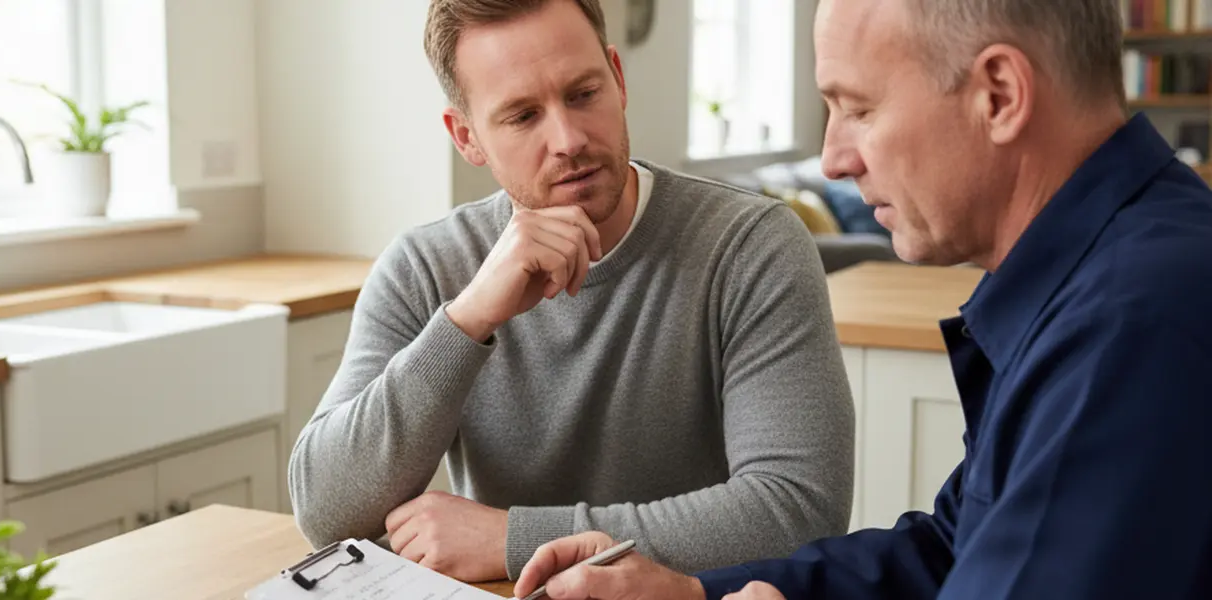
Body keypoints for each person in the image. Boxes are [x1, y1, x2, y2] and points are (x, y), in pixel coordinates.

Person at [513, 0, 1212, 598]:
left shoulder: (1133, 324)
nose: (834, 157)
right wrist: (696, 590)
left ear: (998, 94)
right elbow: (951, 548)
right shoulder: (1091, 280)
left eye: (858, 108)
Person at [287, 0, 857, 585]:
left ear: (617, 76)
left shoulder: (750, 246)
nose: (568, 138)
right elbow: (326, 512)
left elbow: (798, 511)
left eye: (583, 94)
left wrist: (513, 538)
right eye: (523, 115)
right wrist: (469, 317)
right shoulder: (426, 267)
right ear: (467, 137)